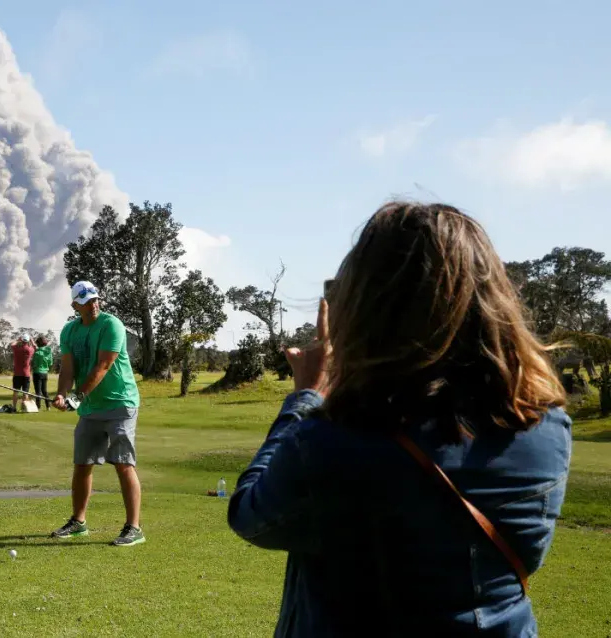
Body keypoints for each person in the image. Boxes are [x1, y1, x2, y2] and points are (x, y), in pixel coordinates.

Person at [227, 201, 571, 637]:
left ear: (370, 307)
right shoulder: (547, 428)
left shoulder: (330, 444)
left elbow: (251, 515)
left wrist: (306, 396)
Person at [50, 281, 145, 547]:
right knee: (82, 464)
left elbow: (104, 365)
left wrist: (77, 398)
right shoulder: (69, 331)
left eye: (94, 299)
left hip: (120, 403)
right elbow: (67, 369)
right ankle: (78, 523)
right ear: (75, 305)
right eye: (85, 300)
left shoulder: (111, 324)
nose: (92, 304)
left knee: (123, 463)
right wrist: (62, 394)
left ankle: (134, 527)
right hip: (92, 408)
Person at [8, 334, 36, 412]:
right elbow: (35, 346)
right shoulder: (30, 349)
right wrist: (32, 340)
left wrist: (18, 339)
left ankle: (14, 408)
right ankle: (24, 408)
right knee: (25, 392)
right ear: (28, 341)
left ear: (22, 340)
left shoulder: (17, 348)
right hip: (26, 374)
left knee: (15, 392)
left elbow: (12, 344)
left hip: (17, 374)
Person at [31, 335, 54, 410]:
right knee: (44, 390)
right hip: (45, 373)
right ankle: (48, 407)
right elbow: (50, 363)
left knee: (38, 391)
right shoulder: (48, 351)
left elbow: (34, 364)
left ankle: (38, 407)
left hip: (37, 372)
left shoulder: (37, 352)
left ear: (38, 344)